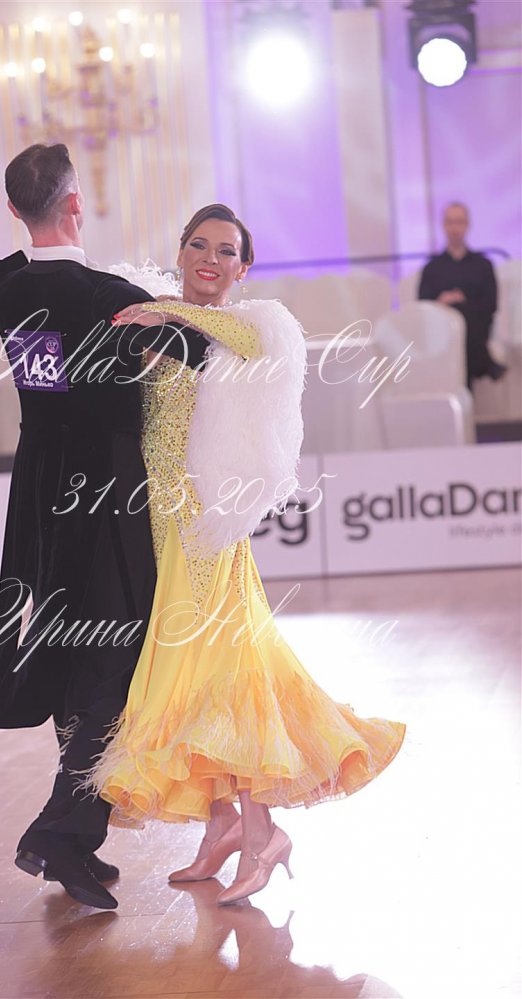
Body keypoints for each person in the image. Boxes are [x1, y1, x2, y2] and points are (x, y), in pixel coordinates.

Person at [83, 204, 407, 906]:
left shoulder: (253, 325)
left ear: (244, 267)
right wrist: (152, 313)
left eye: (225, 250)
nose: (210, 258)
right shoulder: (157, 320)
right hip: (155, 519)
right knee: (200, 667)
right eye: (198, 245)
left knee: (222, 671)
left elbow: (246, 342)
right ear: (179, 251)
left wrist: (164, 312)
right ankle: (223, 825)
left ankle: (261, 835)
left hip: (205, 523)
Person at [0, 143, 210, 910]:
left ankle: (77, 835)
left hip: (39, 488)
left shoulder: (11, 288)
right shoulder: (108, 294)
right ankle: (61, 832)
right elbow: (199, 350)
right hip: (108, 492)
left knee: (67, 648)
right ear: (78, 203)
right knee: (115, 660)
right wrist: (163, 314)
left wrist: (29, 254)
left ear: (15, 210)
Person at [418, 202, 506, 388]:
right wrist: (442, 302)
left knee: (464, 316)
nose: (454, 228)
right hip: (441, 332)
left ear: (467, 225)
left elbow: (490, 305)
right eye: (450, 222)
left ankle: (479, 362)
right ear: (443, 226)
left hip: (476, 327)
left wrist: (462, 302)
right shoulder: (432, 268)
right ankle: (484, 361)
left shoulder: (483, 265)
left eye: (459, 222)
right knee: (456, 318)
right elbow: (422, 308)